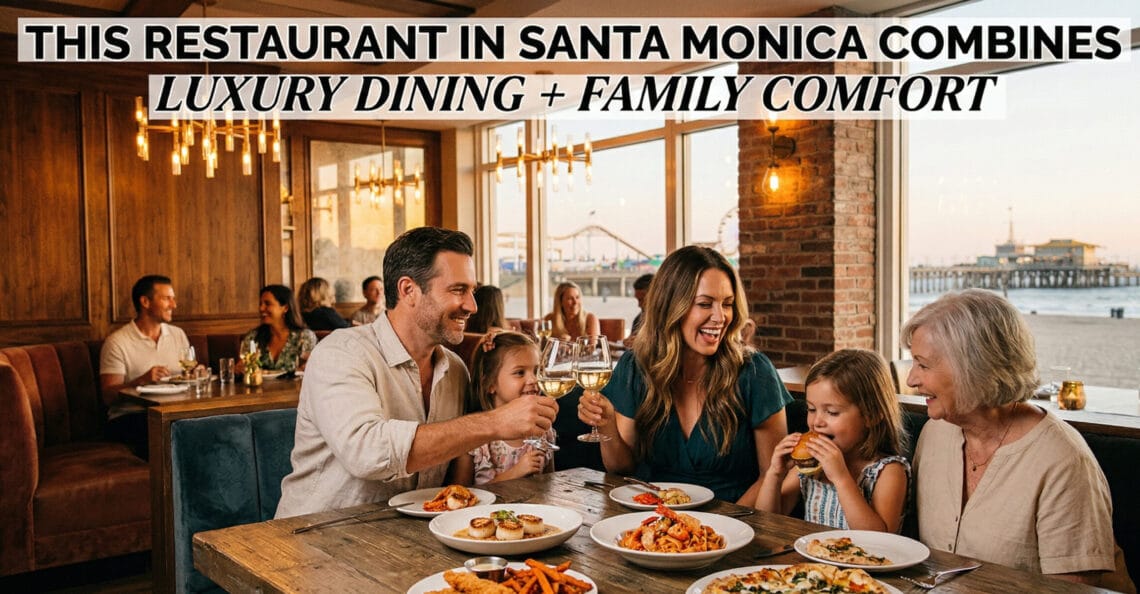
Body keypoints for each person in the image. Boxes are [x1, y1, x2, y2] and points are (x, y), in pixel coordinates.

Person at [276, 227, 557, 517]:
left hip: (411, 538)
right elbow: (368, 453)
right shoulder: (341, 353)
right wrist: (495, 422)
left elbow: (480, 439)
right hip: (316, 539)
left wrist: (500, 349)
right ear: (408, 290)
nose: (472, 306)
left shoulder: (456, 371)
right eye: (458, 290)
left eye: (472, 291)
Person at [906, 289, 1131, 589]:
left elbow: (1070, 591)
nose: (911, 379)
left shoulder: (1063, 461)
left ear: (973, 367)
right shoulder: (937, 431)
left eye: (923, 364)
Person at [577, 245, 791, 503]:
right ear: (671, 307)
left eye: (727, 304)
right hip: (653, 520)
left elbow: (772, 475)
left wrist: (723, 524)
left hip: (737, 523)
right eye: (704, 304)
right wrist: (607, 424)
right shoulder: (636, 367)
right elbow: (621, 469)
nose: (720, 317)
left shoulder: (755, 371)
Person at [755, 349, 910, 533]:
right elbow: (766, 524)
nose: (817, 422)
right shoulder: (809, 467)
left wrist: (840, 477)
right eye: (811, 409)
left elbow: (880, 540)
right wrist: (774, 474)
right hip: (811, 561)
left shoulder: (888, 471)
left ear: (871, 416)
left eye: (832, 412)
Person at [99, 275, 190, 458]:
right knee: (175, 430)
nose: (174, 305)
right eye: (166, 298)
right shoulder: (117, 342)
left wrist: (196, 373)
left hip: (171, 413)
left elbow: (187, 375)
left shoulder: (178, 335)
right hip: (129, 416)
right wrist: (141, 380)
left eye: (173, 298)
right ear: (145, 302)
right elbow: (108, 396)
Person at [450, 332, 554, 485]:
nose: (533, 380)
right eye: (520, 373)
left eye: (537, 371)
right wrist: (516, 473)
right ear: (490, 384)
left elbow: (552, 485)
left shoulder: (543, 430)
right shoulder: (475, 441)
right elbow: (460, 495)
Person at [240, 285, 318, 372]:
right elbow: (244, 367)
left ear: (285, 308)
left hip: (296, 385)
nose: (261, 308)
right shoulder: (253, 337)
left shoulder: (305, 337)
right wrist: (240, 369)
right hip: (261, 385)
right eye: (260, 304)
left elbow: (311, 371)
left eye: (267, 303)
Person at [623, 273, 654, 347]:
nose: (639, 305)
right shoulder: (638, 319)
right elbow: (631, 340)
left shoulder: (669, 320)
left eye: (642, 300)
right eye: (638, 300)